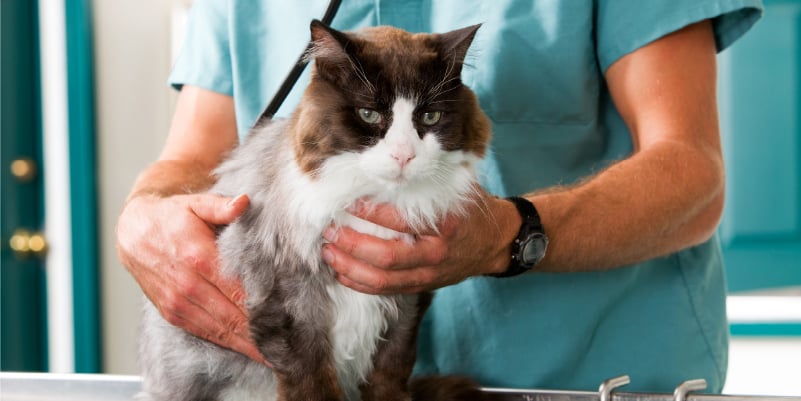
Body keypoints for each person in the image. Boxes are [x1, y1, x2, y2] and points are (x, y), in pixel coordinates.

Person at [116, 0, 763, 393]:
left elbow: (691, 174)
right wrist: (142, 216)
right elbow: (193, 160)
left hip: (589, 381)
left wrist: (510, 234)